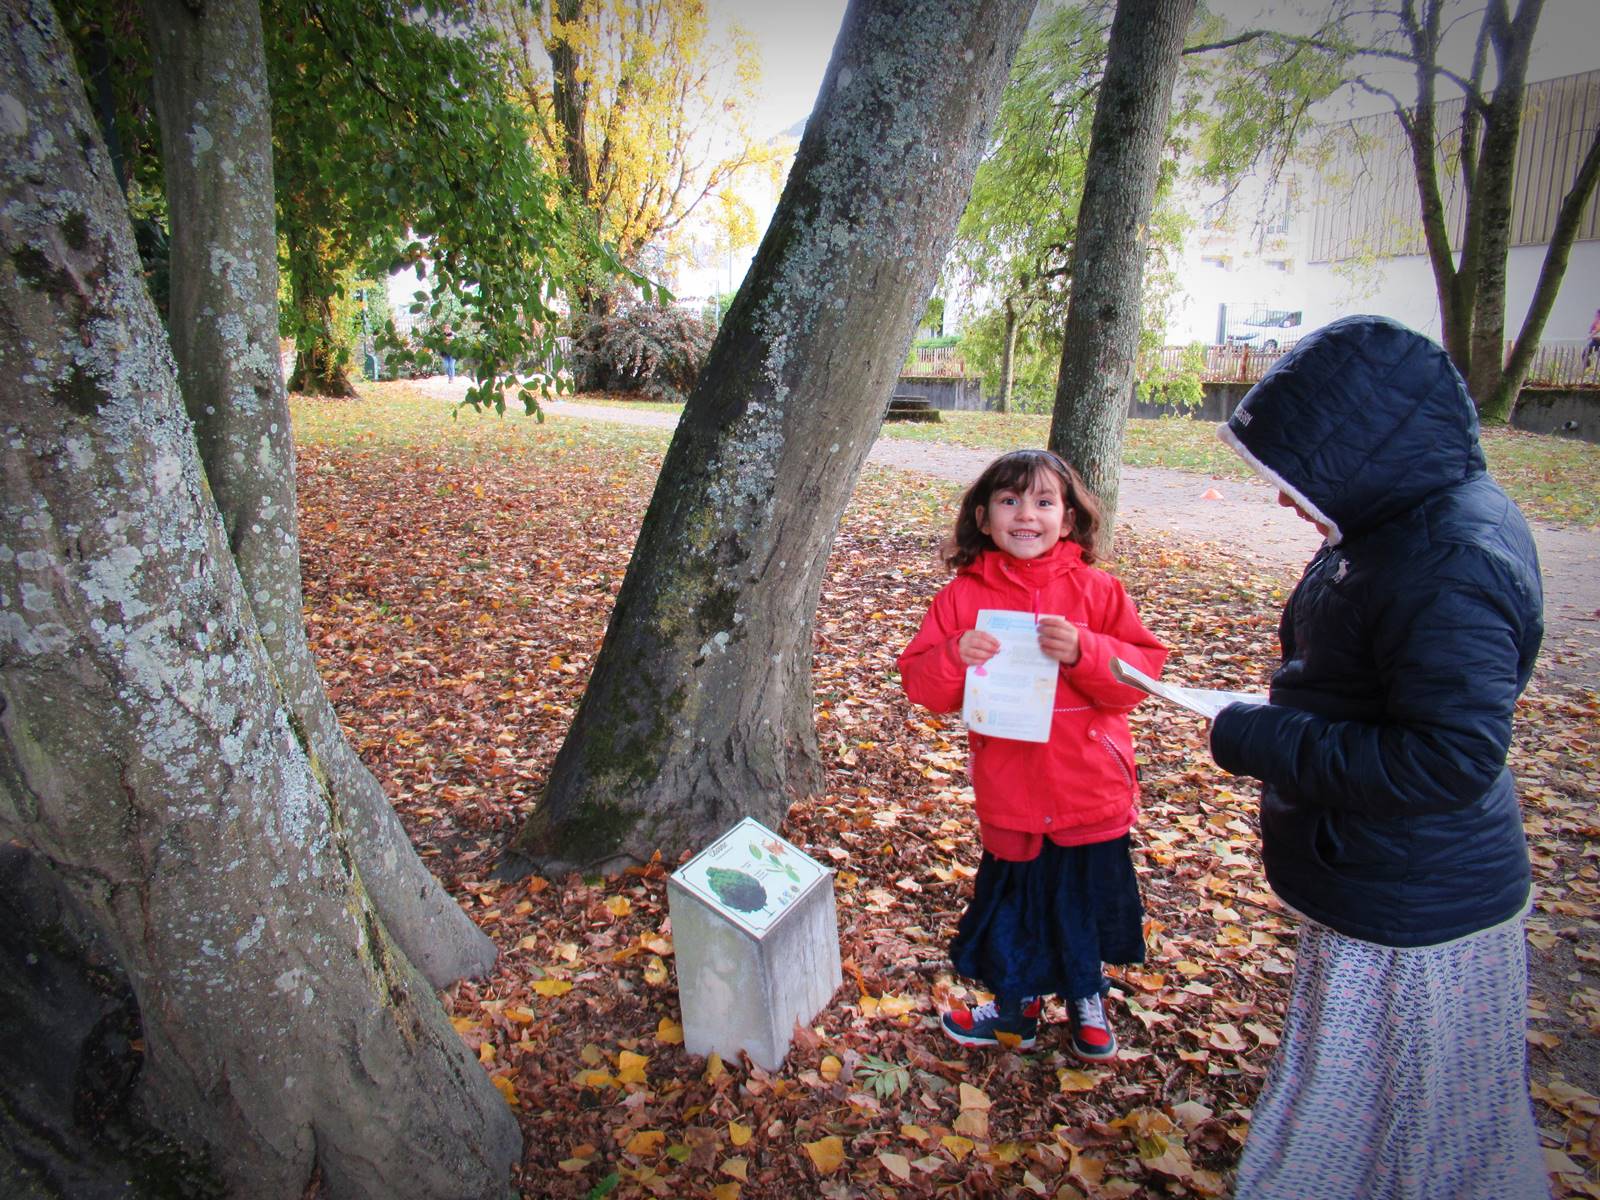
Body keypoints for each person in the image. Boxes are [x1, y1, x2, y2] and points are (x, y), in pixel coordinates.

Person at [1207, 315, 1548, 1199]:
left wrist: (1259, 737)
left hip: (1417, 906)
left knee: (1423, 1127)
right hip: (1387, 878)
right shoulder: (1398, 526)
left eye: (1297, 476)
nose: (1286, 499)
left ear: (1364, 449)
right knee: (1368, 1098)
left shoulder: (1448, 561)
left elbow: (1446, 759)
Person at [897, 449, 1167, 1059]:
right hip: (1011, 792)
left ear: (1068, 520)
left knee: (1081, 904)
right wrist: (954, 657)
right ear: (984, 517)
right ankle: (1016, 1010)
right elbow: (920, 684)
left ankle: (1086, 1001)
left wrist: (1086, 651)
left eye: (1044, 502)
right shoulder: (963, 599)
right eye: (1010, 501)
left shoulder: (1098, 592)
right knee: (1016, 903)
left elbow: (1140, 679)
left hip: (1088, 789)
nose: (1027, 515)